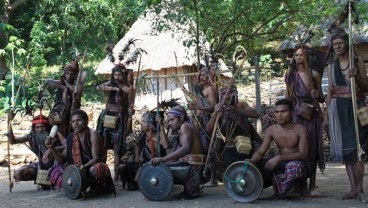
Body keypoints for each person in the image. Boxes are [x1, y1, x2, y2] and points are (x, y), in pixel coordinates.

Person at [325, 26, 368, 203]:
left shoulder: (357, 62)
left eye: (341, 43)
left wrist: (356, 77)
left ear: (347, 45)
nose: (337, 46)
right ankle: (352, 189)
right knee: (347, 151)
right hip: (338, 109)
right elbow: (330, 92)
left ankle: (360, 190)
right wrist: (326, 115)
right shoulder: (331, 66)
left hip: (355, 108)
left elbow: (366, 88)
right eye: (334, 44)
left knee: (358, 150)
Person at [284, 46, 325, 195]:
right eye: (296, 55)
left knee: (312, 147)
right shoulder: (291, 74)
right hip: (296, 114)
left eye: (301, 55)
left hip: (311, 115)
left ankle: (312, 185)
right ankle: (300, 183)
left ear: (307, 56)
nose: (298, 57)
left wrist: (317, 95)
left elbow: (321, 97)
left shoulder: (314, 74)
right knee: (297, 148)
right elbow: (288, 96)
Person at [250, 99, 310, 199]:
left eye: (283, 111)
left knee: (293, 167)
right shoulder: (271, 130)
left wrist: (279, 157)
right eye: (277, 112)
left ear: (291, 113)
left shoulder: (300, 129)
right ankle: (281, 183)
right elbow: (261, 151)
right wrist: (251, 162)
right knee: (257, 168)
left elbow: (303, 154)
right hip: (280, 166)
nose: (279, 115)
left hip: (298, 164)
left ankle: (302, 184)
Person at [47, 109, 115, 195]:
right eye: (73, 121)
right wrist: (52, 148)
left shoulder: (93, 134)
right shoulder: (71, 137)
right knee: (54, 171)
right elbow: (62, 160)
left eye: (79, 120)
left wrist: (83, 167)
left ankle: (98, 186)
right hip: (78, 169)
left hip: (90, 167)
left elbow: (96, 158)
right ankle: (76, 188)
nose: (75, 123)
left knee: (95, 169)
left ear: (86, 121)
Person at [151, 105, 204, 199]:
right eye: (169, 121)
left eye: (172, 120)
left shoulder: (185, 126)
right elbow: (167, 145)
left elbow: (185, 148)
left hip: (193, 166)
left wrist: (163, 159)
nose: (170, 123)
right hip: (195, 166)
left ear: (181, 118)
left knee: (158, 167)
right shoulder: (186, 126)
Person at [205, 85, 262, 170]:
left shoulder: (241, 104)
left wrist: (238, 111)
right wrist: (216, 112)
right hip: (230, 144)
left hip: (246, 142)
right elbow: (208, 129)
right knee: (214, 153)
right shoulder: (220, 109)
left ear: (236, 94)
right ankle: (213, 178)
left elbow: (255, 114)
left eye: (230, 93)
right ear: (221, 96)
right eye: (225, 94)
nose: (228, 96)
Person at [96, 65, 133, 184]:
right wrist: (113, 88)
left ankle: (116, 176)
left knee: (117, 149)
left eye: (119, 75)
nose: (117, 77)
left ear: (124, 75)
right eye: (115, 75)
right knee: (104, 146)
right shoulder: (111, 83)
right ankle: (104, 174)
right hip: (107, 117)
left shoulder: (126, 86)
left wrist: (119, 87)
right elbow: (99, 87)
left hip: (120, 118)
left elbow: (129, 90)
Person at [7, 113, 65, 188]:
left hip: (57, 165)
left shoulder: (56, 134)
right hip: (42, 165)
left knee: (61, 181)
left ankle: (52, 180)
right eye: (37, 127)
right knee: (18, 173)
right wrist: (9, 123)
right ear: (34, 128)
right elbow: (13, 141)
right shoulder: (32, 135)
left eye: (43, 127)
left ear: (47, 127)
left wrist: (51, 150)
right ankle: (45, 180)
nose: (40, 130)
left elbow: (68, 145)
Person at [118, 111, 169, 190]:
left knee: (137, 178)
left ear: (150, 126)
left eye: (144, 122)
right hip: (143, 162)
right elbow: (138, 146)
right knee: (122, 167)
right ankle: (129, 184)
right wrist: (137, 156)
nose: (141, 123)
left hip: (155, 164)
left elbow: (166, 145)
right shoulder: (143, 135)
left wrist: (161, 125)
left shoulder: (158, 136)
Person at [187, 66, 219, 187]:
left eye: (204, 74)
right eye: (200, 74)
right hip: (201, 121)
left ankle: (213, 178)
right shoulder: (203, 90)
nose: (201, 77)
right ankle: (205, 176)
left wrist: (197, 107)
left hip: (209, 121)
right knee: (203, 147)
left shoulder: (210, 89)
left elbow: (214, 107)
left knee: (212, 147)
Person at [44, 60, 86, 137]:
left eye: (72, 74)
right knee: (53, 130)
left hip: (71, 114)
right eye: (67, 74)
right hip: (59, 112)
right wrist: (63, 87)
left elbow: (76, 90)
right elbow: (48, 81)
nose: (69, 77)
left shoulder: (77, 86)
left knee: (72, 134)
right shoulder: (61, 83)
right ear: (64, 74)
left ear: (76, 75)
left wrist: (66, 87)